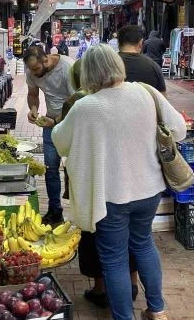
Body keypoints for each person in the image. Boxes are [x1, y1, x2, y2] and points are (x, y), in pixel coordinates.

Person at [53, 45, 186, 320]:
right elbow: (179, 129)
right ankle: (157, 309)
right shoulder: (145, 92)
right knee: (144, 244)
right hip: (148, 189)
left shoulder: (85, 106)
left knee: (114, 259)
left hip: (110, 196)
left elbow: (60, 141)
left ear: (87, 72)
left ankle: (124, 317)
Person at [59, 60, 140, 309]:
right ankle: (133, 283)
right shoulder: (128, 97)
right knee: (130, 236)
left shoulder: (76, 102)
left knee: (94, 233)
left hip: (90, 179)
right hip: (125, 177)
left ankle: (102, 288)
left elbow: (62, 141)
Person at [24, 46, 74, 225]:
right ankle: (55, 210)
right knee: (50, 168)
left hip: (72, 124)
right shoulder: (32, 72)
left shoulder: (67, 68)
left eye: (36, 69)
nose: (34, 73)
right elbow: (32, 94)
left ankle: (81, 212)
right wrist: (33, 109)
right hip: (50, 124)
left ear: (45, 60)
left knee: (75, 170)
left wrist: (56, 121)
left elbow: (75, 102)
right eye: (31, 70)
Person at [118, 25, 166, 93]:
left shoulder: (107, 64)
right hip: (157, 60)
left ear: (119, 43)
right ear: (140, 43)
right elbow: (162, 96)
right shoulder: (154, 67)